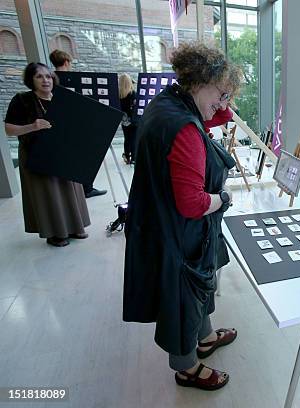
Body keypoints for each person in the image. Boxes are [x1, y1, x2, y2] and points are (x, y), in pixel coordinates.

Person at [123, 42, 241, 391]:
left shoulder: (166, 103)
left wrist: (221, 107)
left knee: (198, 288)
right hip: (178, 230)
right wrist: (222, 198)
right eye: (221, 93)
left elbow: (210, 115)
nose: (223, 103)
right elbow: (192, 203)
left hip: (158, 220)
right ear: (200, 81)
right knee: (184, 296)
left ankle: (203, 338)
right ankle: (186, 366)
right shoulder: (186, 131)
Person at [4, 62, 90, 247]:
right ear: (31, 80)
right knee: (48, 193)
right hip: (36, 154)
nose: (45, 80)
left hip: (63, 152)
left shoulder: (62, 98)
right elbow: (9, 129)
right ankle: (55, 233)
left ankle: (75, 226)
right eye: (39, 76)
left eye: (48, 76)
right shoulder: (22, 100)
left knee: (69, 189)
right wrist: (32, 126)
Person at [49, 49, 107, 199]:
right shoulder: (71, 78)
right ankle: (86, 188)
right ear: (67, 62)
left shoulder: (51, 79)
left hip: (60, 126)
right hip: (77, 127)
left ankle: (76, 189)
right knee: (84, 158)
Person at [118, 73, 137, 164]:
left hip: (124, 121)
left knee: (127, 138)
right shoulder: (133, 94)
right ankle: (134, 157)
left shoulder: (119, 95)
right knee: (133, 138)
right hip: (134, 120)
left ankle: (127, 156)